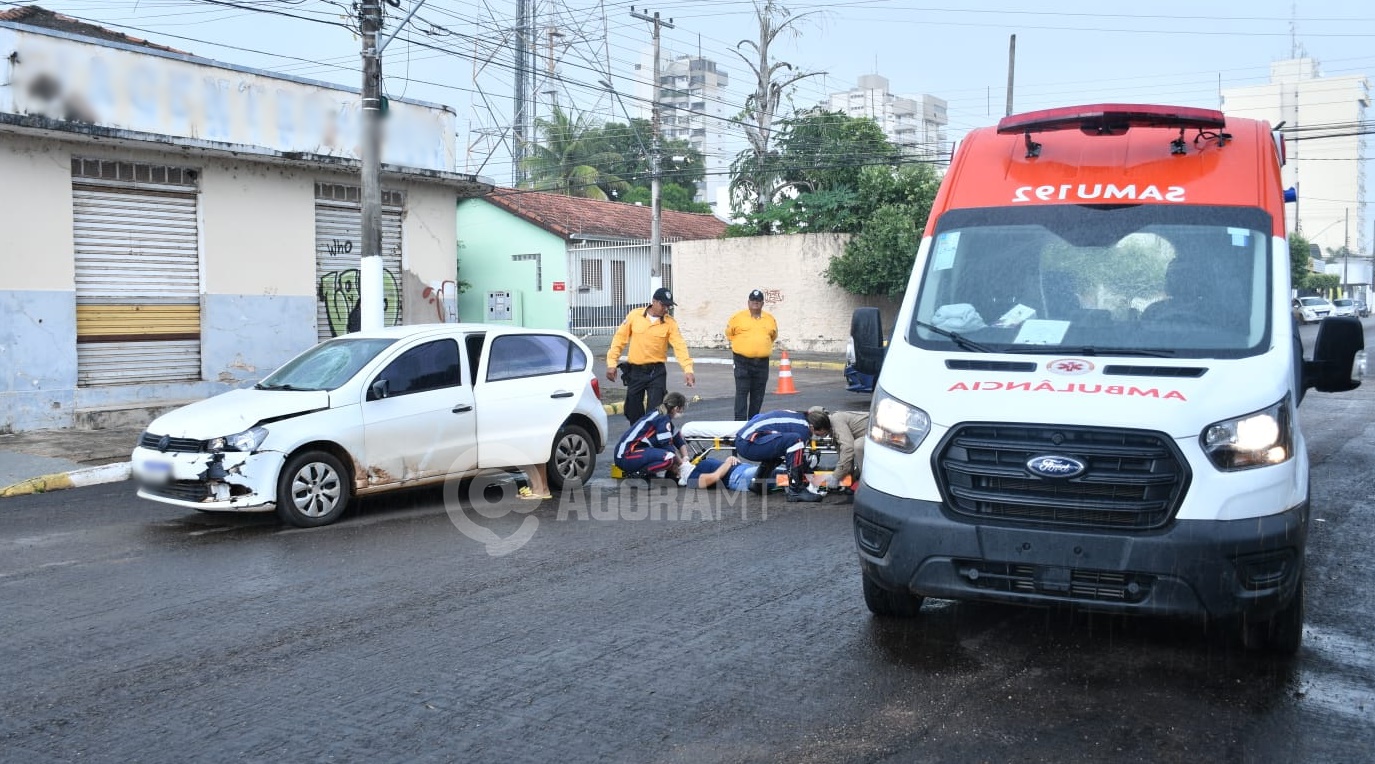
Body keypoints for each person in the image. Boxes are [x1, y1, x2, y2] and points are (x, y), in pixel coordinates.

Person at [606, 287, 696, 423]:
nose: (666, 309)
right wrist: (612, 364)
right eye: (663, 305)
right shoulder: (634, 316)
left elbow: (680, 347)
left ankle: (651, 439)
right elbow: (619, 339)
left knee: (655, 412)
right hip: (635, 371)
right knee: (633, 410)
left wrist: (688, 370)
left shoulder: (670, 323)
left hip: (656, 372)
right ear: (654, 301)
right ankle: (637, 439)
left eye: (668, 306)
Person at [734, 408, 831, 503]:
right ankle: (796, 490)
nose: (820, 437)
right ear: (812, 427)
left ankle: (758, 482)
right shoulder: (804, 430)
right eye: (821, 434)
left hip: (745, 440)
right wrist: (811, 476)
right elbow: (798, 458)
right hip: (748, 443)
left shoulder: (801, 418)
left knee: (783, 445)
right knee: (795, 440)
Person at [726, 289, 778, 421]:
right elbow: (729, 334)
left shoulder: (770, 319)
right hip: (742, 361)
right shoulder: (737, 318)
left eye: (758, 301)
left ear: (762, 303)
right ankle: (739, 424)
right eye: (753, 301)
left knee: (758, 394)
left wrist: (759, 346)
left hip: (762, 362)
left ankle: (754, 423)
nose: (756, 303)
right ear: (748, 302)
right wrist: (745, 346)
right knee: (742, 392)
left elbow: (773, 336)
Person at [613, 391, 691, 479]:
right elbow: (667, 445)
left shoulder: (660, 414)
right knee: (669, 458)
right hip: (626, 455)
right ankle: (639, 475)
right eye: (681, 409)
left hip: (630, 453)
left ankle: (647, 472)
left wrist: (686, 457)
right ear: (676, 408)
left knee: (672, 459)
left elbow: (677, 438)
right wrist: (682, 465)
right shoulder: (662, 419)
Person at [814, 407, 869, 498]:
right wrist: (846, 474)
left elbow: (848, 448)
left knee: (858, 445)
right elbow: (842, 452)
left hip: (879, 433)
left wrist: (836, 476)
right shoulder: (832, 425)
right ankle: (858, 476)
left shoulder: (836, 421)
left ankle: (866, 482)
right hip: (870, 433)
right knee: (855, 446)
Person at [678, 456, 759, 491]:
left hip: (742, 469)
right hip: (738, 477)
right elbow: (715, 477)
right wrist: (728, 462)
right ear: (678, 476)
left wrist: (730, 459)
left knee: (770, 472)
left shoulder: (696, 467)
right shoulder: (691, 480)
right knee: (770, 473)